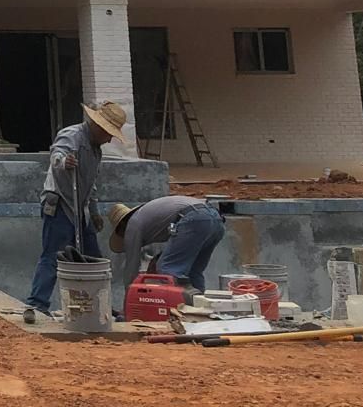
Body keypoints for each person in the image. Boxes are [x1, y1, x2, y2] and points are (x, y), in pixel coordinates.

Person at [23, 100, 128, 316]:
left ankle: (101, 305)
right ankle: (37, 303)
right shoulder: (72, 136)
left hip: (81, 207)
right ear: (98, 126)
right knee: (54, 254)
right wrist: (64, 162)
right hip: (60, 202)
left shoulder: (96, 151)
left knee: (93, 258)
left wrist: (95, 211)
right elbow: (56, 157)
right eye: (108, 133)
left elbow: (91, 183)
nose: (109, 138)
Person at [108, 195, 227, 295]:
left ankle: (177, 310)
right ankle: (198, 308)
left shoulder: (133, 224)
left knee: (167, 269)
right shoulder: (150, 215)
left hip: (193, 218)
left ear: (122, 226)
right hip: (216, 218)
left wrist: (129, 297)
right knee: (193, 271)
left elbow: (131, 267)